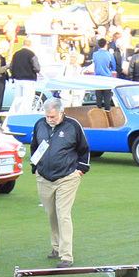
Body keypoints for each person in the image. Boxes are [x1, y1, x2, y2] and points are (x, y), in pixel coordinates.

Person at [29, 98, 90, 267]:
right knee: (51, 213)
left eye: (53, 116)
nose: (50, 120)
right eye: (47, 116)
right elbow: (34, 146)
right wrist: (35, 166)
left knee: (63, 214)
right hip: (44, 177)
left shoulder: (74, 126)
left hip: (67, 177)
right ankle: (56, 247)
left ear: (61, 112)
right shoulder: (40, 125)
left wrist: (80, 170)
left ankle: (66, 256)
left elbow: (84, 149)